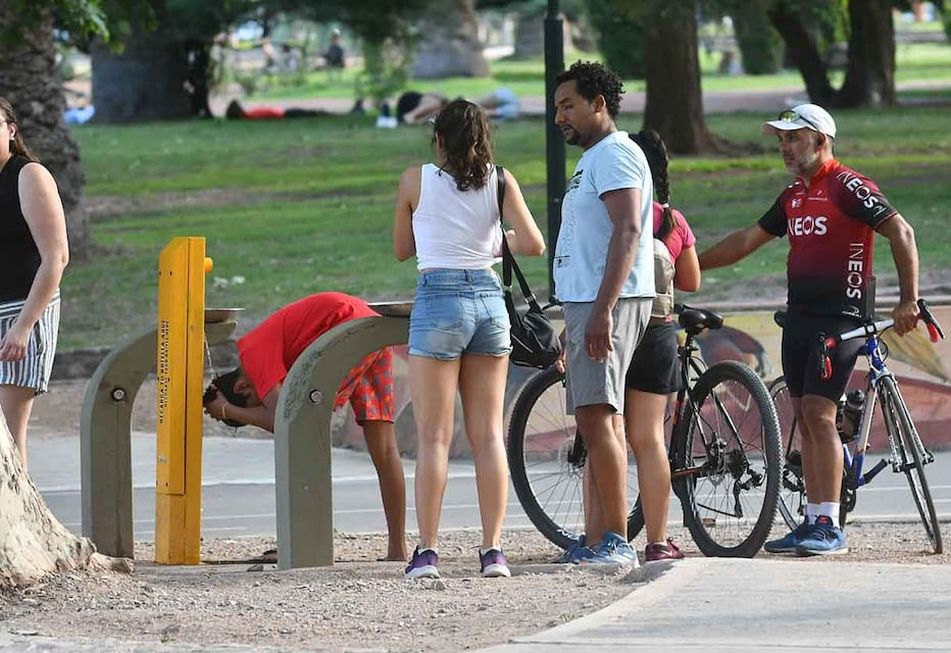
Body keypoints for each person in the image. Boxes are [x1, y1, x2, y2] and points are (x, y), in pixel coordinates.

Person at [698, 103, 921, 556]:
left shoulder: (847, 185)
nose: (784, 147)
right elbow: (746, 239)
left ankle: (828, 524)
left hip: (840, 318)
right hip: (798, 317)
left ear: (821, 141)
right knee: (804, 418)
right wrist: (691, 265)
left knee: (820, 417)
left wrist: (908, 299)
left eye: (793, 138)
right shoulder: (792, 196)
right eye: (781, 139)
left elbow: (902, 232)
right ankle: (813, 518)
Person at [392, 99, 545, 579]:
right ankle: (493, 551)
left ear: (438, 139)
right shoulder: (501, 181)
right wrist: (497, 242)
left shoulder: (415, 180)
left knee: (434, 436)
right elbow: (535, 243)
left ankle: (428, 552)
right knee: (488, 436)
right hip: (488, 303)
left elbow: (402, 249)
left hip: (438, 299)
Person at [202, 292, 407, 561]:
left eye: (254, 402)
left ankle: (303, 543)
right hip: (368, 330)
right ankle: (397, 549)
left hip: (344, 327)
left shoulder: (252, 353)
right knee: (384, 448)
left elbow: (288, 421)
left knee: (304, 429)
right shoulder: (267, 350)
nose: (262, 401)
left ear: (241, 387)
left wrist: (228, 410)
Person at [551, 62, 655, 568]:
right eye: (556, 107)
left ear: (598, 103)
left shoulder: (613, 154)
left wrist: (603, 310)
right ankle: (597, 541)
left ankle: (615, 542)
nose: (558, 117)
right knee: (599, 419)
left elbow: (629, 230)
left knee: (598, 418)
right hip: (588, 300)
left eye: (567, 105)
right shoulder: (597, 157)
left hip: (604, 301)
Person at [0, 97, 70, 471]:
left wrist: (24, 325)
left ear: (11, 130)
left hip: (20, 313)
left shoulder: (28, 176)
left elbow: (56, 257)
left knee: (10, 437)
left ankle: (15, 523)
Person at [224, 99, 334, 121]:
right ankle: (325, 114)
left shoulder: (248, 114)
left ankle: (324, 113)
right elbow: (265, 117)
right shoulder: (248, 117)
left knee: (307, 112)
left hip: (282, 112)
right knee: (308, 113)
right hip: (282, 115)